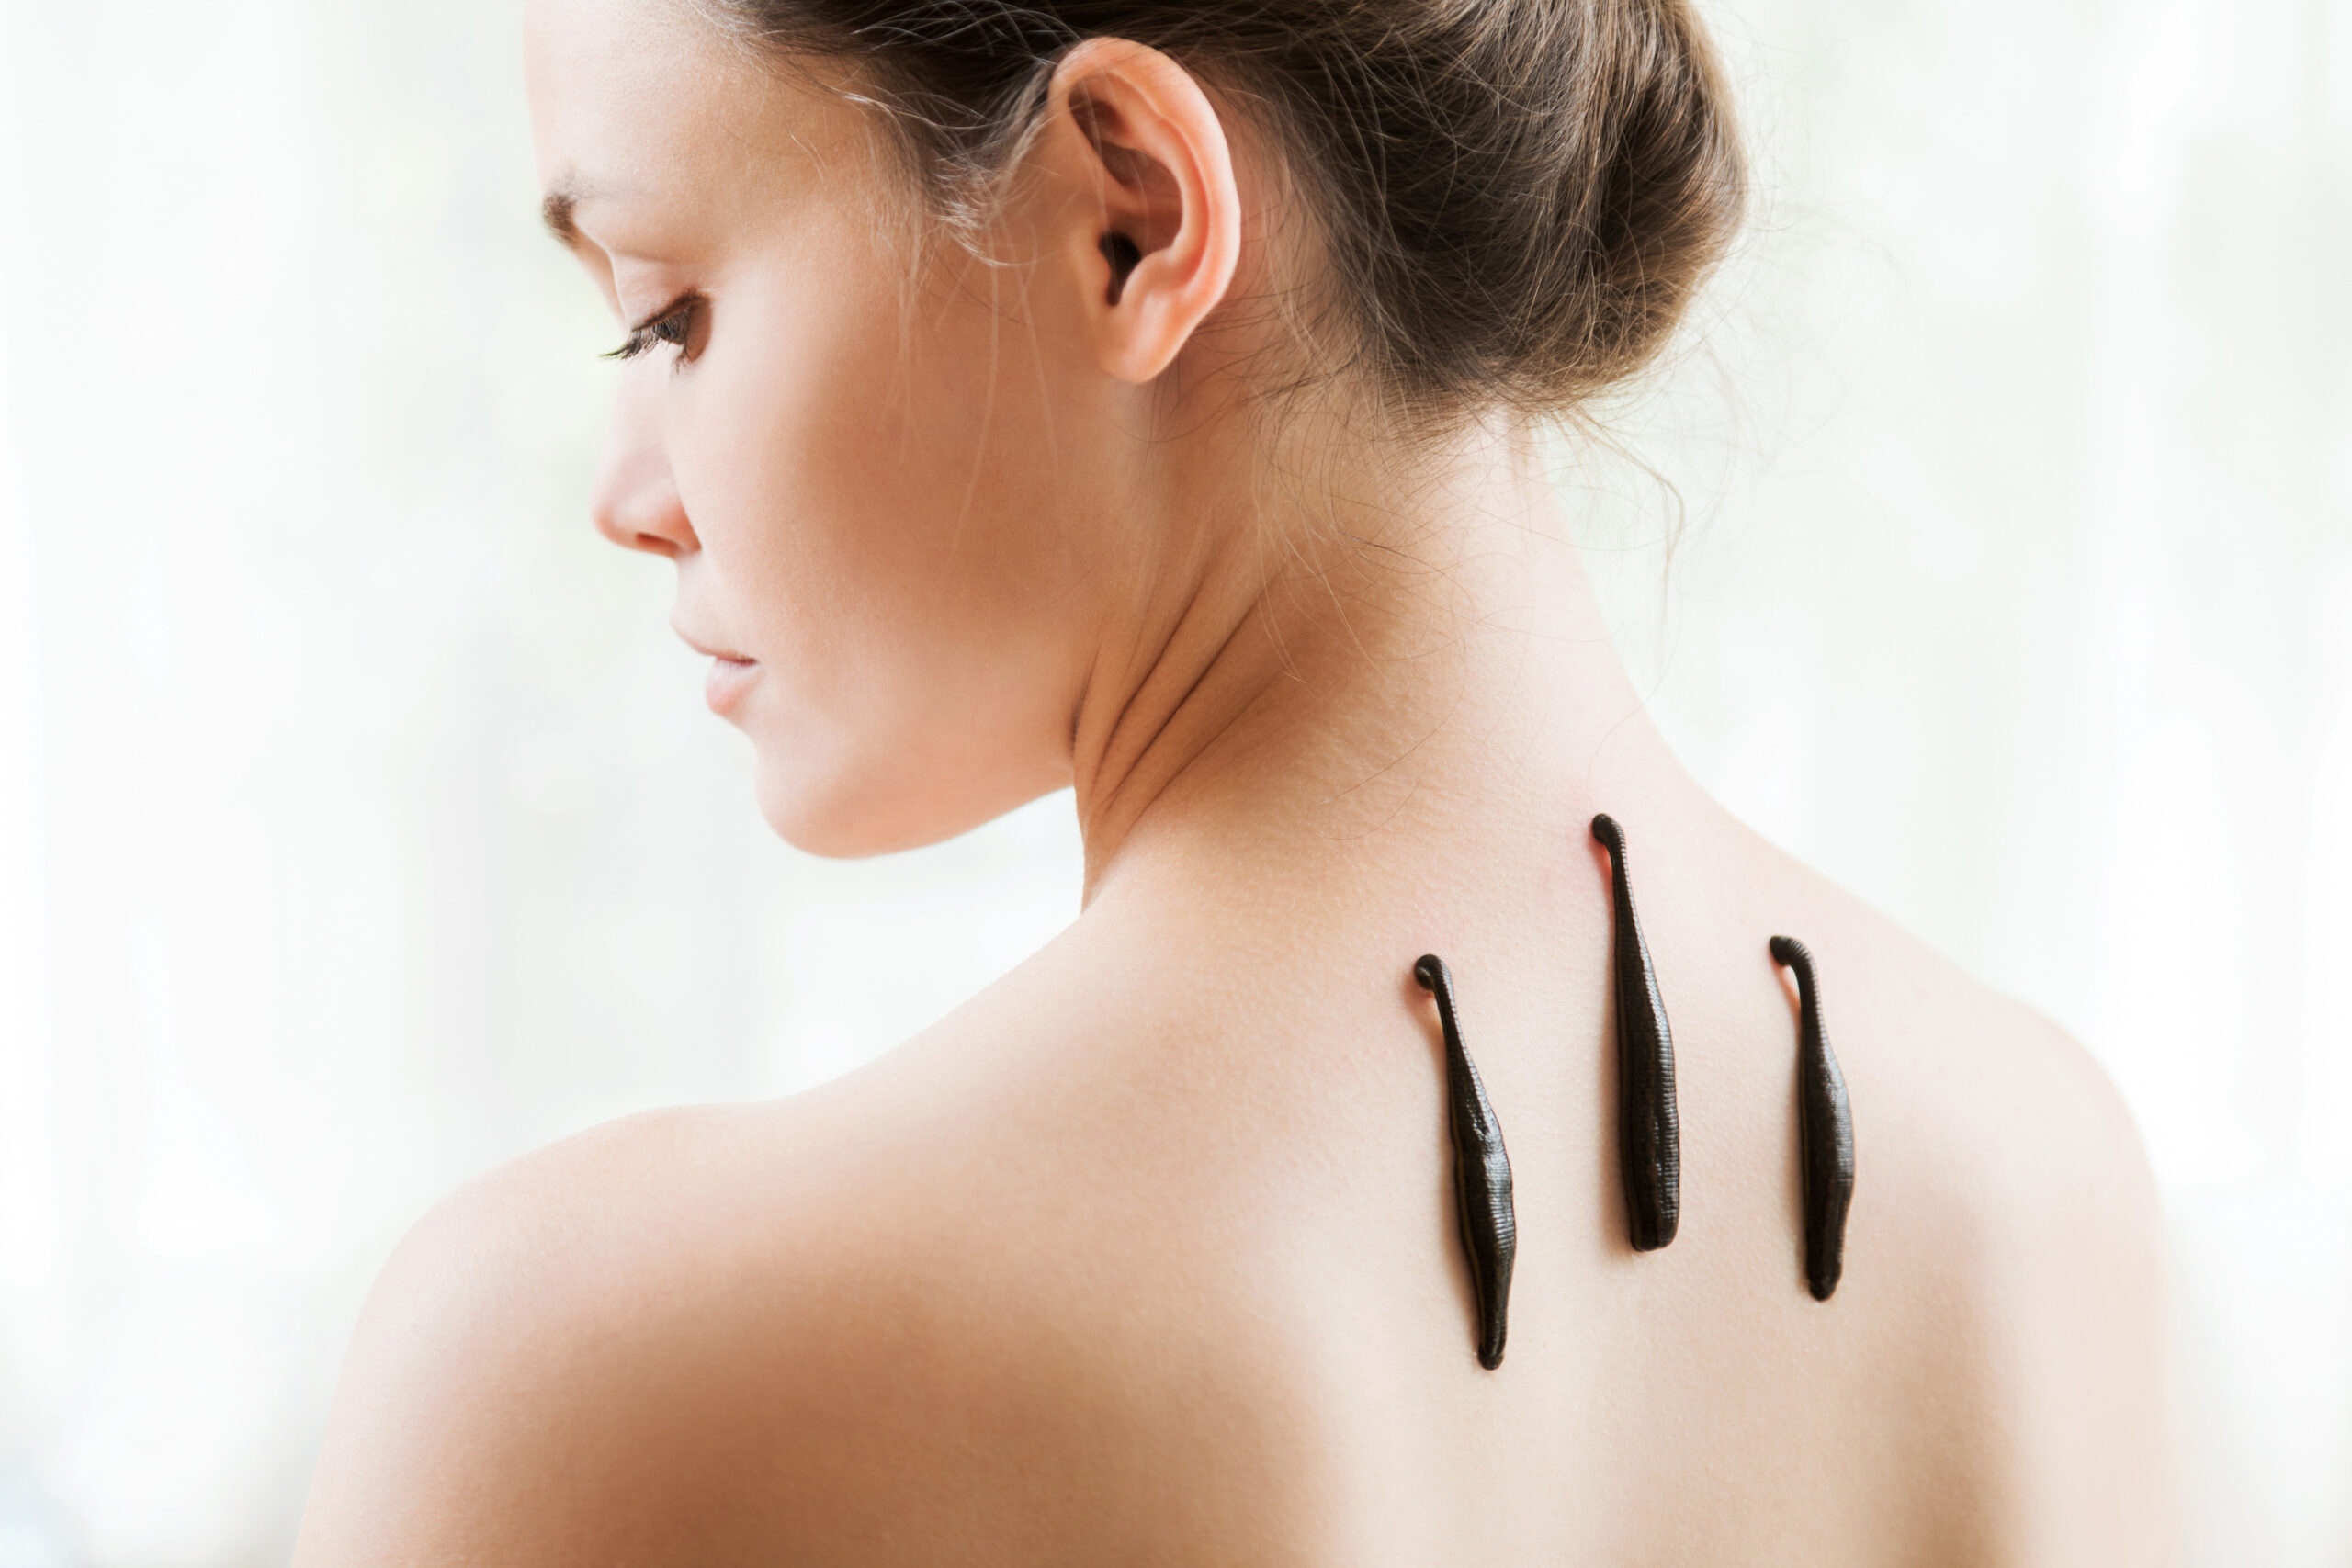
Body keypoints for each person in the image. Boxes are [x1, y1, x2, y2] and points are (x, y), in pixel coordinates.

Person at [293, 0, 2169, 1559]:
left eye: (666, 312)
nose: (625, 496)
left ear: (1129, 216)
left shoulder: (586, 1377)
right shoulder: (2033, 1181)